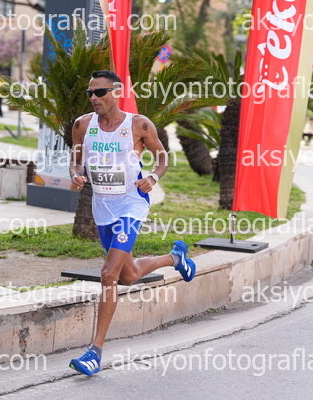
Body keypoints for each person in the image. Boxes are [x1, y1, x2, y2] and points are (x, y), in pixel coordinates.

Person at [67, 70, 197, 376]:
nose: (94, 98)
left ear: (116, 92)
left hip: (131, 205)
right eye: (90, 93)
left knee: (108, 274)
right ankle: (175, 258)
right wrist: (75, 175)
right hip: (103, 208)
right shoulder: (82, 125)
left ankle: (95, 352)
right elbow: (76, 160)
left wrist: (153, 177)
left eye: (100, 92)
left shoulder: (138, 125)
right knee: (129, 275)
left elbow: (162, 156)